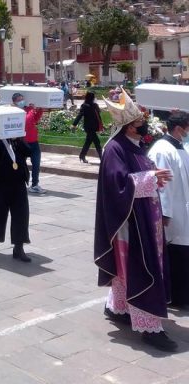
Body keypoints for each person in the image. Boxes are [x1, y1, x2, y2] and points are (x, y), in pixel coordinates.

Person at [95, 87, 177, 352]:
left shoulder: (135, 145)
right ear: (129, 127)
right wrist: (150, 179)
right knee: (141, 269)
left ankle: (119, 308)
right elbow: (115, 184)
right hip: (129, 225)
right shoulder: (114, 149)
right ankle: (150, 328)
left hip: (146, 218)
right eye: (140, 122)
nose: (144, 125)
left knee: (127, 272)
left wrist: (154, 176)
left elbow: (142, 172)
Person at [148, 111, 189, 308]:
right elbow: (161, 184)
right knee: (176, 254)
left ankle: (183, 293)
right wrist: (165, 213)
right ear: (179, 128)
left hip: (184, 208)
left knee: (184, 254)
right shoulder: (162, 150)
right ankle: (177, 297)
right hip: (172, 214)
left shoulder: (180, 147)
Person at [0, 135, 32, 262]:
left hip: (18, 181)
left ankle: (18, 248)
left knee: (21, 214)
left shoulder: (15, 139)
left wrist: (18, 139)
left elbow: (29, 151)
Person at [12, 93, 46, 194]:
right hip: (22, 142)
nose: (21, 101)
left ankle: (35, 184)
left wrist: (39, 110)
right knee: (20, 164)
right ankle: (18, 184)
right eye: (19, 100)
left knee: (36, 164)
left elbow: (35, 120)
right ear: (14, 101)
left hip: (33, 141)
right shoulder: (14, 112)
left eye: (22, 99)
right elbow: (24, 122)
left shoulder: (28, 109)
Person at [72, 92, 103, 163]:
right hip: (89, 127)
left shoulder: (94, 105)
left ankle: (82, 155)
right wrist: (74, 124)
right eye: (93, 97)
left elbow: (98, 116)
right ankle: (102, 158)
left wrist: (101, 125)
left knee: (88, 142)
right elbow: (80, 115)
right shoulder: (85, 106)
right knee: (97, 142)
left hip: (94, 127)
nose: (95, 98)